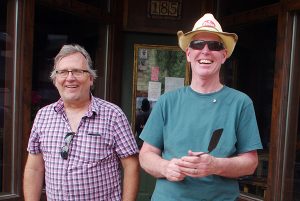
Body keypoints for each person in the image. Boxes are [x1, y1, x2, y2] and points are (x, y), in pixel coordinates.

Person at [139, 13, 263, 200]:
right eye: (198, 44)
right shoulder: (167, 101)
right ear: (189, 54)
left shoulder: (240, 103)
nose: (205, 51)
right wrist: (166, 167)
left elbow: (250, 162)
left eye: (214, 46)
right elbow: (146, 155)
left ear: (224, 55)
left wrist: (215, 165)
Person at [23, 44, 140, 201]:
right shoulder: (43, 116)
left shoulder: (113, 115)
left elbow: (131, 166)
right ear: (55, 79)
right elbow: (34, 169)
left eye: (78, 71)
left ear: (91, 78)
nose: (70, 78)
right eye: (63, 72)